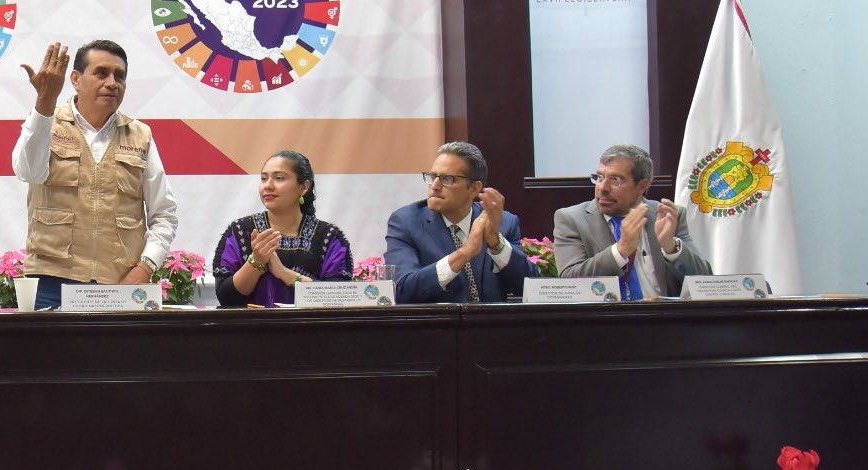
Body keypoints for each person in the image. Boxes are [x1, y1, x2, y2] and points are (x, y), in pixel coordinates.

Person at [11, 39, 179, 309]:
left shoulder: (141, 135)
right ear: (76, 79)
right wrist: (45, 101)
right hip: (51, 282)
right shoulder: (46, 121)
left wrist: (144, 269)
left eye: (119, 76)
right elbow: (27, 172)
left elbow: (164, 214)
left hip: (121, 283)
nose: (112, 83)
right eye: (101, 73)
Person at [386, 141, 541, 303]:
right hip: (438, 319)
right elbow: (402, 290)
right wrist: (465, 253)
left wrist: (496, 243)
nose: (435, 186)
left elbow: (531, 288)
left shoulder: (502, 222)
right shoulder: (406, 222)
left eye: (447, 179)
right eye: (432, 177)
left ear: (474, 188)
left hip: (491, 319)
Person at [554, 143, 711, 299]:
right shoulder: (572, 219)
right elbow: (569, 283)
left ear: (641, 186)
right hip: (607, 315)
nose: (603, 188)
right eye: (599, 177)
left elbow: (704, 282)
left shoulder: (667, 217)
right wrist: (620, 251)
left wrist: (670, 247)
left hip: (663, 313)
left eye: (615, 179)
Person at [212, 151, 352, 307]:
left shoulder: (329, 236)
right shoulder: (240, 230)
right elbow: (226, 298)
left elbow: (339, 299)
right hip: (253, 323)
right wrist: (256, 261)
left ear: (304, 187)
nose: (268, 185)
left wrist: (284, 273)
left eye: (279, 178)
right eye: (264, 178)